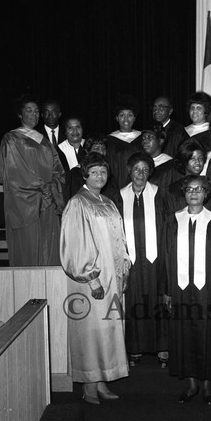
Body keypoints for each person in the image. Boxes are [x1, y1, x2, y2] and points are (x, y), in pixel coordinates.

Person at [60, 152, 131, 405]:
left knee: (107, 329)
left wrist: (124, 269)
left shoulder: (107, 202)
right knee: (91, 330)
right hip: (93, 279)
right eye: (94, 172)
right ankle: (89, 385)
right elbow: (76, 246)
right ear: (84, 175)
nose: (100, 176)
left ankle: (101, 381)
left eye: (103, 172)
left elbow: (120, 240)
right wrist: (92, 279)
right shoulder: (78, 203)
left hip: (112, 276)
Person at [162, 175, 211, 404]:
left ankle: (207, 384)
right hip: (179, 289)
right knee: (183, 334)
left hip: (206, 289)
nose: (193, 193)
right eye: (189, 189)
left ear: (206, 194)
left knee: (208, 334)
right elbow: (166, 256)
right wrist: (167, 290)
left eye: (199, 189)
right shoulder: (172, 220)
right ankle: (191, 383)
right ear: (184, 193)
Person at [0, 94, 65, 266]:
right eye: (29, 110)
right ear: (20, 114)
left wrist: (52, 188)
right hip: (26, 203)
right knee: (29, 246)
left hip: (47, 199)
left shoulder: (43, 140)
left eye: (36, 111)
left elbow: (58, 169)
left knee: (50, 246)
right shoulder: (11, 138)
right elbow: (15, 172)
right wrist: (43, 189)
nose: (34, 114)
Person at [120, 152, 168, 368]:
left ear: (150, 172)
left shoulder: (159, 195)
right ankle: (135, 347)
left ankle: (162, 347)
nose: (140, 173)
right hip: (131, 259)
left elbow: (167, 229)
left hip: (155, 259)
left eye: (145, 169)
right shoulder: (119, 196)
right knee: (134, 302)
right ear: (129, 171)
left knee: (157, 299)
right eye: (136, 169)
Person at [164, 139, 211, 217]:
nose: (197, 162)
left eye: (200, 158)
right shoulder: (172, 190)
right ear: (184, 160)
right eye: (192, 158)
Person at [65, 134, 120, 205]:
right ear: (87, 151)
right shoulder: (76, 173)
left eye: (103, 148)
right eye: (97, 148)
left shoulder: (108, 175)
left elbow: (116, 201)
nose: (101, 152)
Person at [107, 96, 142, 188]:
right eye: (122, 115)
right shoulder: (109, 140)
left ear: (134, 118)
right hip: (118, 183)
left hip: (140, 180)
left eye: (129, 115)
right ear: (117, 118)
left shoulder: (142, 137)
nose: (126, 119)